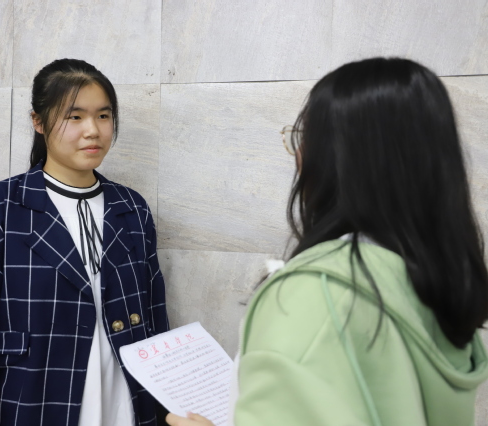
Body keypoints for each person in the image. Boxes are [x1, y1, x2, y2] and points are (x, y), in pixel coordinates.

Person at [166, 57, 488, 426]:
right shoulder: (437, 280)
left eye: (304, 137)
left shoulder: (315, 296)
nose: (298, 155)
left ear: (334, 158)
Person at [0, 58, 169, 426]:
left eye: (103, 115)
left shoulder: (131, 208)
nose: (93, 130)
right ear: (38, 121)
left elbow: (156, 321)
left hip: (126, 407)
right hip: (37, 406)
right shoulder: (0, 208)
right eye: (75, 116)